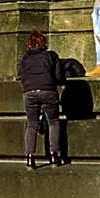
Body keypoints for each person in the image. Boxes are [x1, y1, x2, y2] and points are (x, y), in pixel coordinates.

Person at [18, 31, 67, 168]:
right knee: (53, 122)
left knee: (31, 123)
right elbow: (58, 76)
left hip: (30, 92)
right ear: (43, 42)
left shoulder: (25, 58)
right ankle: (54, 156)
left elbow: (22, 76)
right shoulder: (50, 55)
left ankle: (30, 158)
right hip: (48, 91)